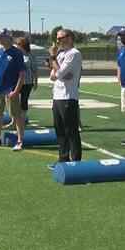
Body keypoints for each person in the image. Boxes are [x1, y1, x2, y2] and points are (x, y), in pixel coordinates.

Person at [0, 29, 26, 151]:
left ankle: (20, 141)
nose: (0, 39)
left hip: (11, 89)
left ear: (9, 37)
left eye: (2, 36)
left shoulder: (17, 53)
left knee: (16, 115)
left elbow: (21, 74)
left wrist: (16, 91)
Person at [49, 29, 83, 163]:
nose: (57, 41)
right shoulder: (61, 54)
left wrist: (53, 60)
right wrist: (60, 71)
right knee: (60, 131)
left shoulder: (74, 54)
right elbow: (53, 76)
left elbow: (61, 73)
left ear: (69, 38)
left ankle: (76, 161)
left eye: (60, 38)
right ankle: (63, 159)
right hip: (57, 96)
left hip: (68, 97)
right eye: (57, 38)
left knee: (71, 131)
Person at [16, 37, 38, 116]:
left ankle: (23, 119)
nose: (17, 46)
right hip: (16, 82)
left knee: (23, 101)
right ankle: (14, 121)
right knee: (15, 102)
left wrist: (36, 82)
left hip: (27, 82)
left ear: (23, 45)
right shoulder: (16, 55)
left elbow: (35, 70)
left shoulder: (30, 56)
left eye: (18, 44)